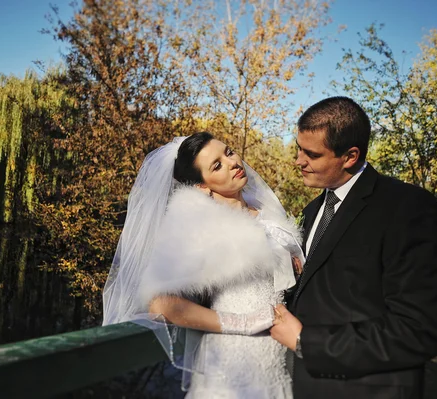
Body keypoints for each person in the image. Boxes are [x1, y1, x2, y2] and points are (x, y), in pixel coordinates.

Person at [270, 96, 437, 399]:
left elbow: (419, 331)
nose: (299, 161)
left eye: (312, 154)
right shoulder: (312, 211)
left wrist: (306, 342)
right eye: (298, 149)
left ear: (350, 156)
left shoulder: (408, 208)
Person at [102, 132, 305, 398]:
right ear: (201, 186)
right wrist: (243, 323)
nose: (233, 163)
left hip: (281, 358)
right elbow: (162, 303)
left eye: (229, 152)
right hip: (231, 364)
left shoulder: (268, 216)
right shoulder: (199, 227)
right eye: (216, 165)